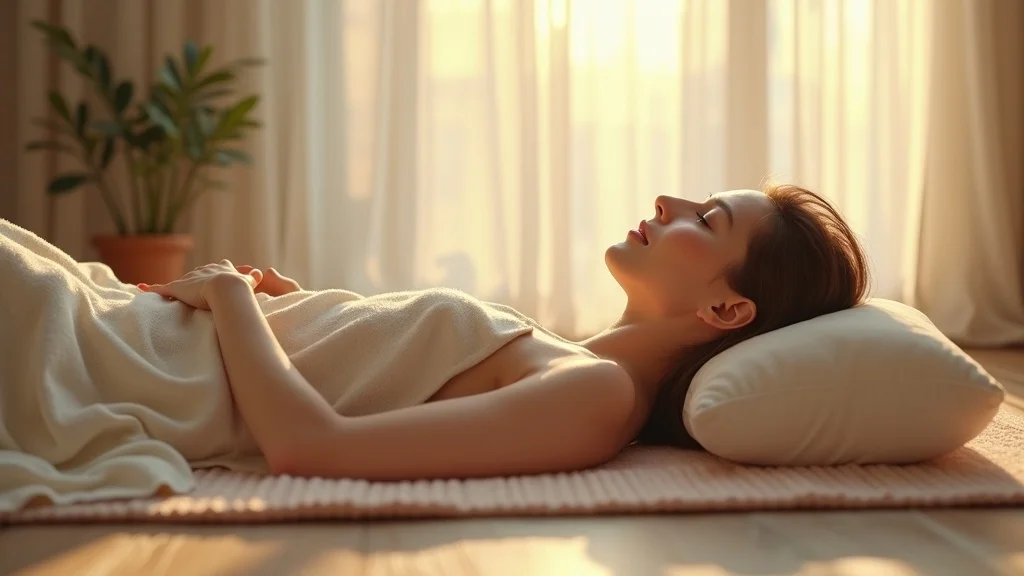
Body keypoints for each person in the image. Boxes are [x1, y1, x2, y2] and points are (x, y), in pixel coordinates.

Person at [136, 182, 870, 481]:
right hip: (160, 330)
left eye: (707, 221)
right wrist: (301, 313)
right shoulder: (568, 356)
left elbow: (311, 448)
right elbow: (382, 373)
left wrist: (231, 295)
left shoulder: (597, 394)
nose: (667, 199)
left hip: (147, 366)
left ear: (728, 311)